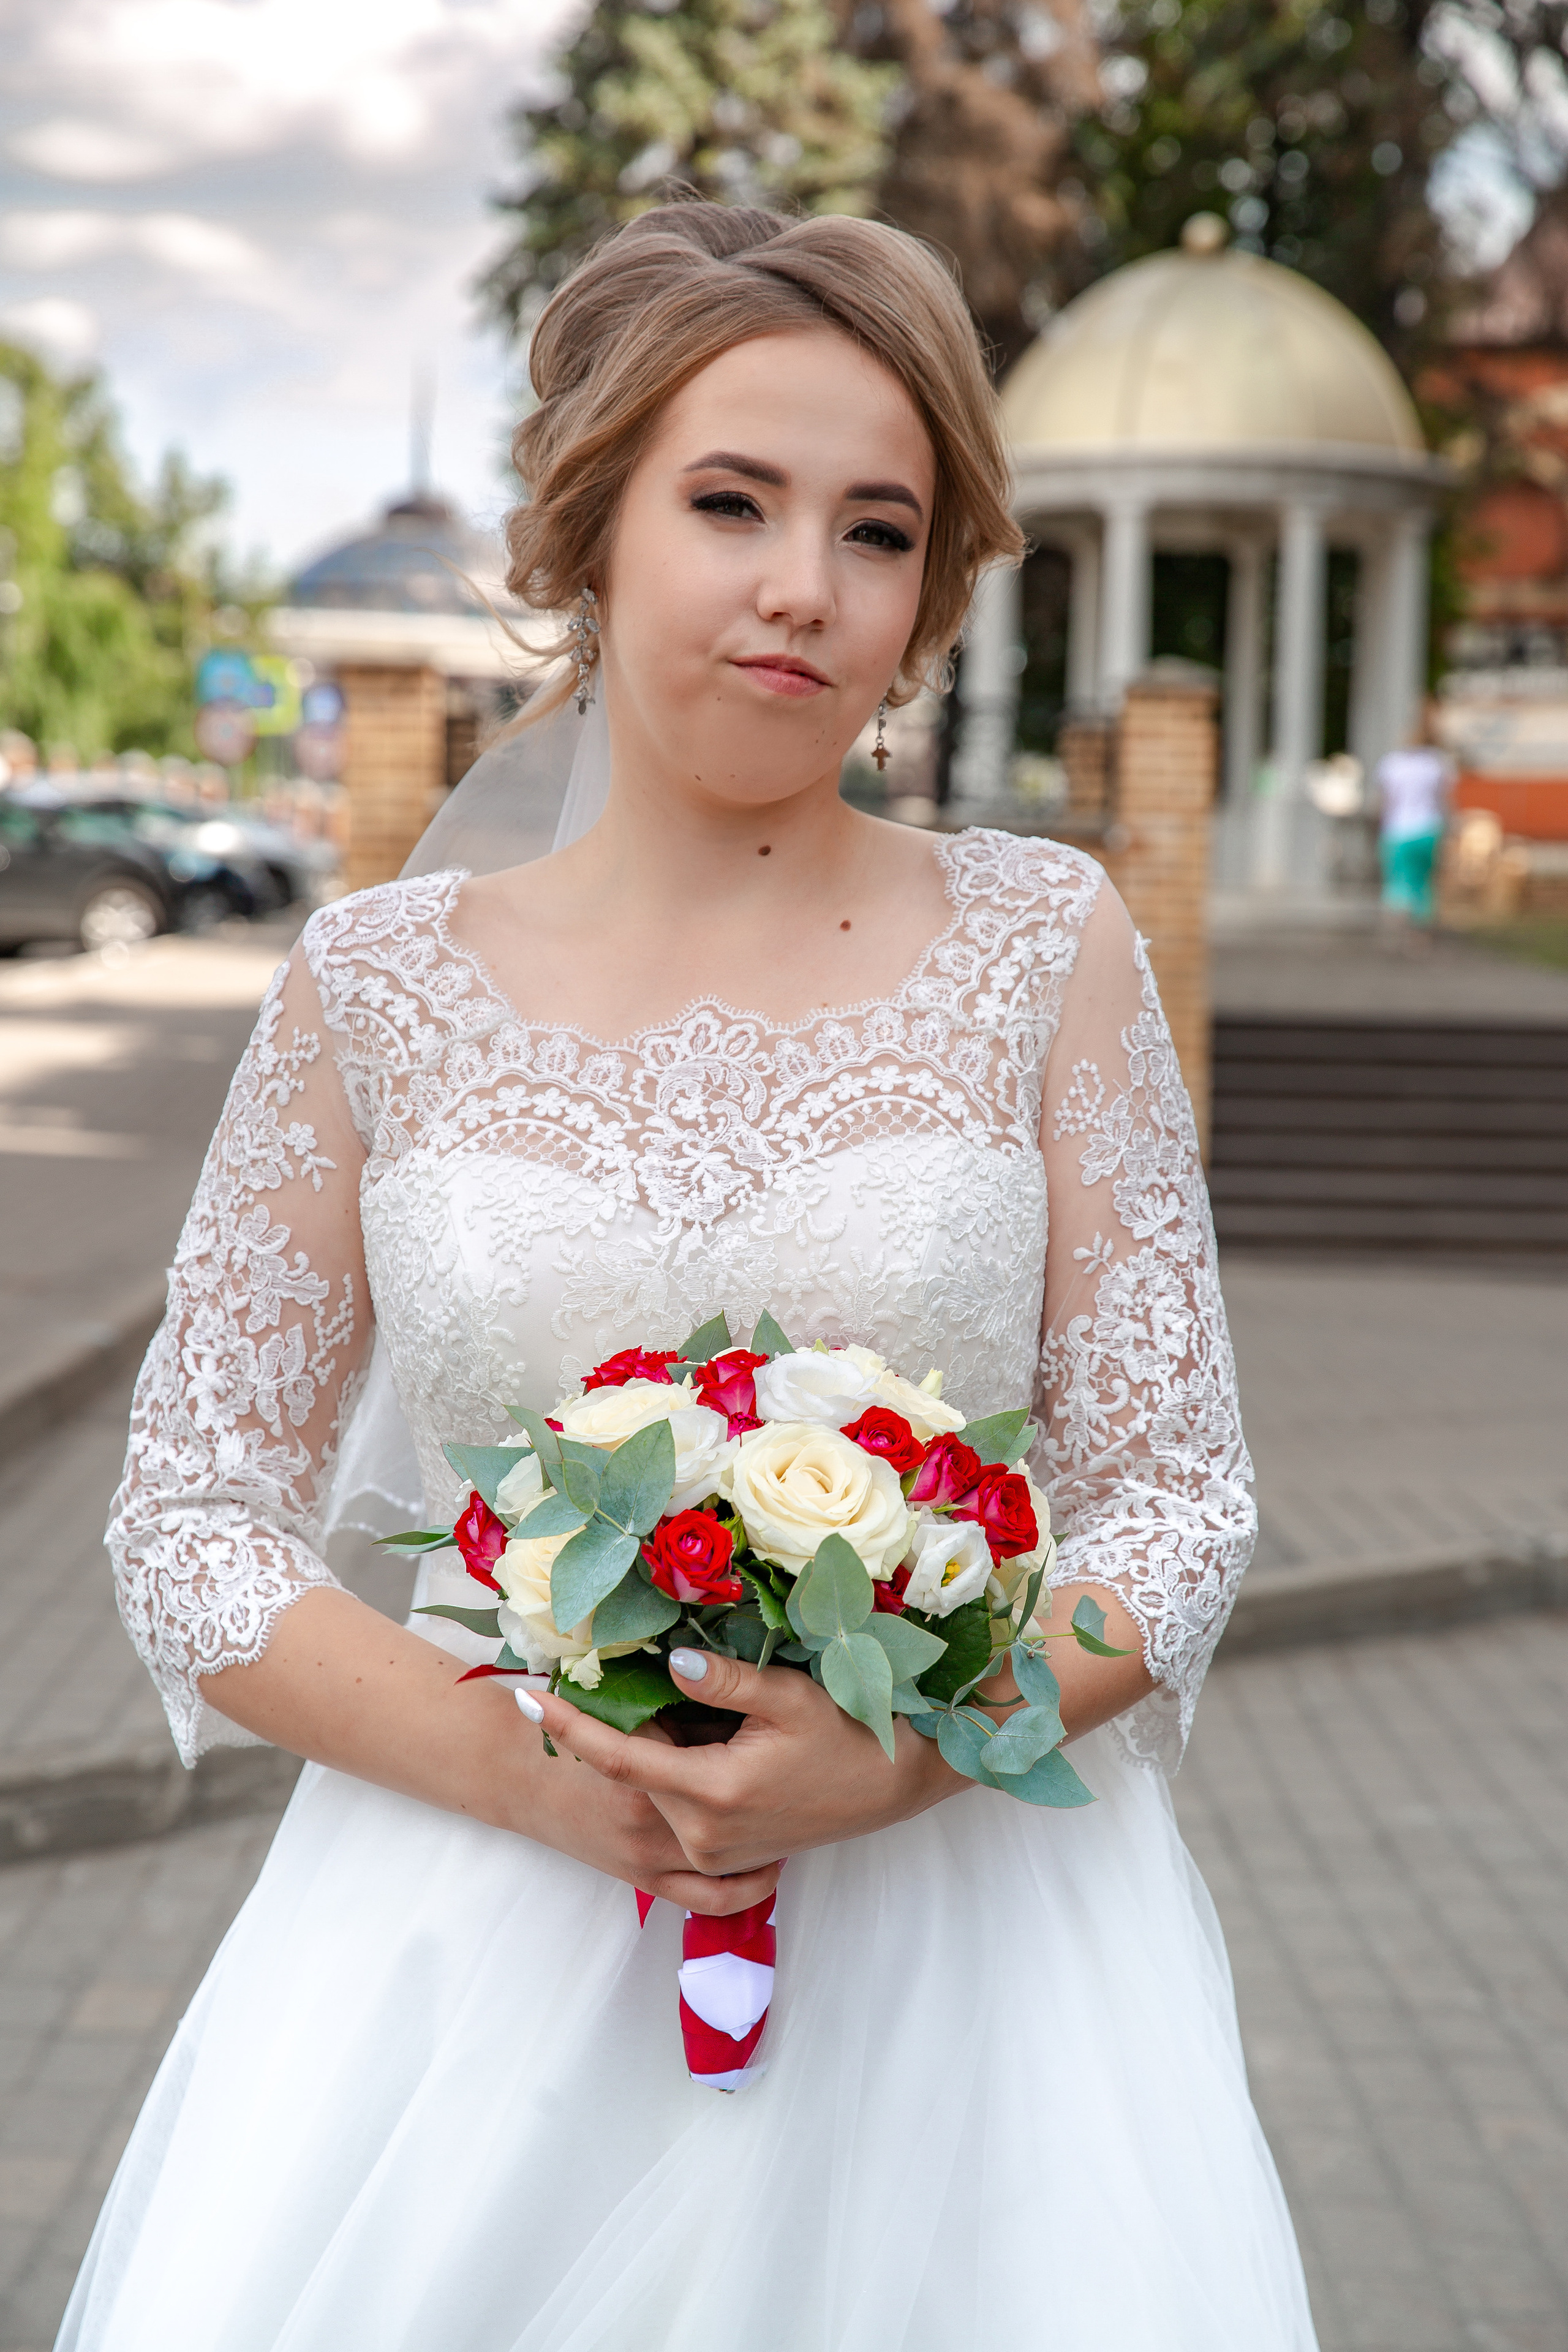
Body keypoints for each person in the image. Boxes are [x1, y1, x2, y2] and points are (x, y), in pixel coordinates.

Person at [60, 203, 1317, 2350]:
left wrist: (912, 1752)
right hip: (469, 1959)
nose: (804, 587)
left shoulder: (1048, 945)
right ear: (591, 525)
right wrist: (550, 1777)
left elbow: (1183, 1496)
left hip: (980, 1965)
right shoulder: (372, 986)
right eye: (731, 500)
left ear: (931, 592)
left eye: (882, 529)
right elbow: (180, 1523)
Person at [1376, 725, 1453, 928]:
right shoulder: (1436, 764)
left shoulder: (1392, 764)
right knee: (1423, 881)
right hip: (1428, 828)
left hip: (1398, 829)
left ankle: (1397, 925)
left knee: (1398, 879)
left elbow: (1386, 800)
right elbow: (1444, 800)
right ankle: (1420, 931)